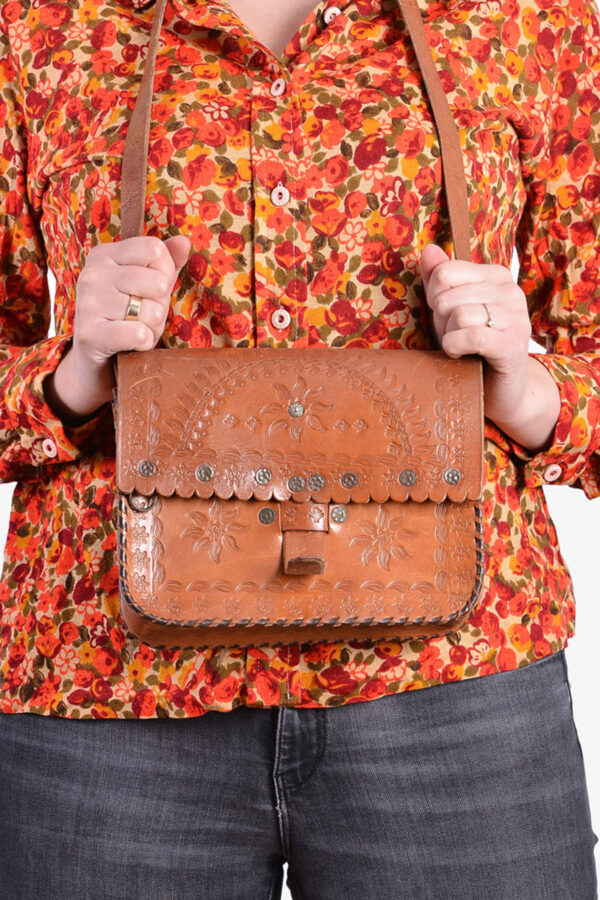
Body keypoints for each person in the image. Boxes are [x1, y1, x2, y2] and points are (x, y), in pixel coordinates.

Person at [0, 0, 598, 896]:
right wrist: (69, 374)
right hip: (108, 690)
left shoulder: (524, 17)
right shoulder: (38, 25)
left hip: (456, 686)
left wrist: (529, 390)